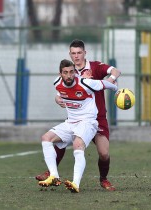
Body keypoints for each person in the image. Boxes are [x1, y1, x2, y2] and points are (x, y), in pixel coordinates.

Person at [36, 39, 121, 191]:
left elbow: (116, 72)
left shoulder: (95, 67)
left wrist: (111, 80)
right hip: (75, 118)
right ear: (70, 54)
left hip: (97, 118)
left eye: (79, 53)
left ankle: (103, 179)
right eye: (73, 53)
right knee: (59, 141)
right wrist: (57, 98)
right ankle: (52, 173)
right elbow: (60, 90)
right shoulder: (68, 72)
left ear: (84, 53)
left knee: (103, 153)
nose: (76, 56)